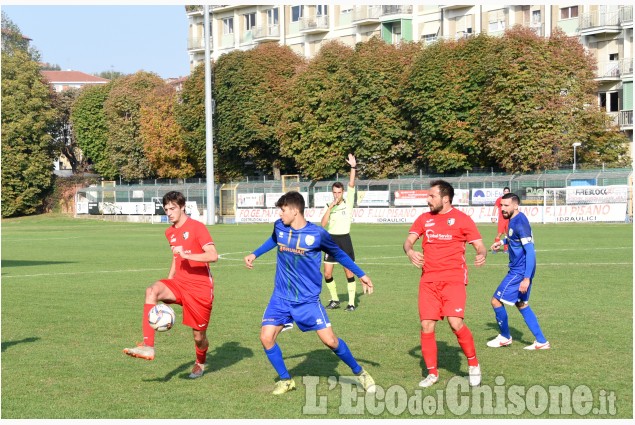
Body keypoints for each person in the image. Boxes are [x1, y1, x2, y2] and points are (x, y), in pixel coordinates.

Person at [244, 191, 376, 395]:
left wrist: (361, 274)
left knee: (330, 341)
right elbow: (274, 239)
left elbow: (339, 253)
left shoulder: (317, 234)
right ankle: (286, 380)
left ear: (295, 210)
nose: (280, 214)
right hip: (281, 296)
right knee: (266, 337)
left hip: (307, 300)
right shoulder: (280, 227)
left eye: (283, 210)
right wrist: (255, 254)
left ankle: (360, 372)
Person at [123, 191, 218, 379]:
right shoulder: (170, 232)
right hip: (179, 283)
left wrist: (188, 255)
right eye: (166, 209)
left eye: (172, 208)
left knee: (199, 337)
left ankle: (200, 362)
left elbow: (213, 255)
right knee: (152, 291)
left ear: (182, 207)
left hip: (200, 290)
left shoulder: (197, 228)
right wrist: (169, 281)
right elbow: (176, 259)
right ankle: (148, 346)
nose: (169, 212)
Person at [403, 180, 487, 388]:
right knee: (426, 325)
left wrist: (481, 254)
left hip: (454, 278)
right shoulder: (424, 219)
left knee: (455, 323)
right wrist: (410, 251)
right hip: (428, 280)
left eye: (432, 196)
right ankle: (432, 373)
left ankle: (473, 364)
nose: (428, 199)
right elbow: (408, 241)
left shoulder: (462, 219)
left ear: (445, 198)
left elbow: (480, 246)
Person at [487, 193, 550, 350]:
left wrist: (526, 278)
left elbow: (530, 252)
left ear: (515, 205)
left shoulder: (519, 223)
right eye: (501, 205)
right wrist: (501, 242)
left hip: (520, 271)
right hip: (521, 270)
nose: (502, 208)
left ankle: (505, 337)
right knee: (521, 304)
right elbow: (513, 238)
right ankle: (541, 341)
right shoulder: (513, 220)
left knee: (495, 301)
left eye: (506, 205)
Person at [321, 153, 359, 311]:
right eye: (334, 193)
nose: (337, 195)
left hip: (344, 240)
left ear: (343, 192)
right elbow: (323, 224)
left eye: (339, 192)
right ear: (332, 193)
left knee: (348, 272)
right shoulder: (329, 205)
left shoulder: (348, 202)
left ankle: (351, 303)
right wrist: (330, 207)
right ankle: (335, 300)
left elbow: (351, 183)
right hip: (330, 241)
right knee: (327, 273)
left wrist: (352, 167)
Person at [492, 187, 511, 253]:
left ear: (509, 192)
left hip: (508, 219)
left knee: (507, 234)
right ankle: (495, 249)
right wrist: (493, 217)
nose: (506, 192)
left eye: (507, 191)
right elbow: (495, 208)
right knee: (499, 234)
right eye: (505, 191)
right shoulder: (499, 199)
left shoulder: (511, 200)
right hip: (502, 219)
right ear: (503, 192)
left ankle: (506, 249)